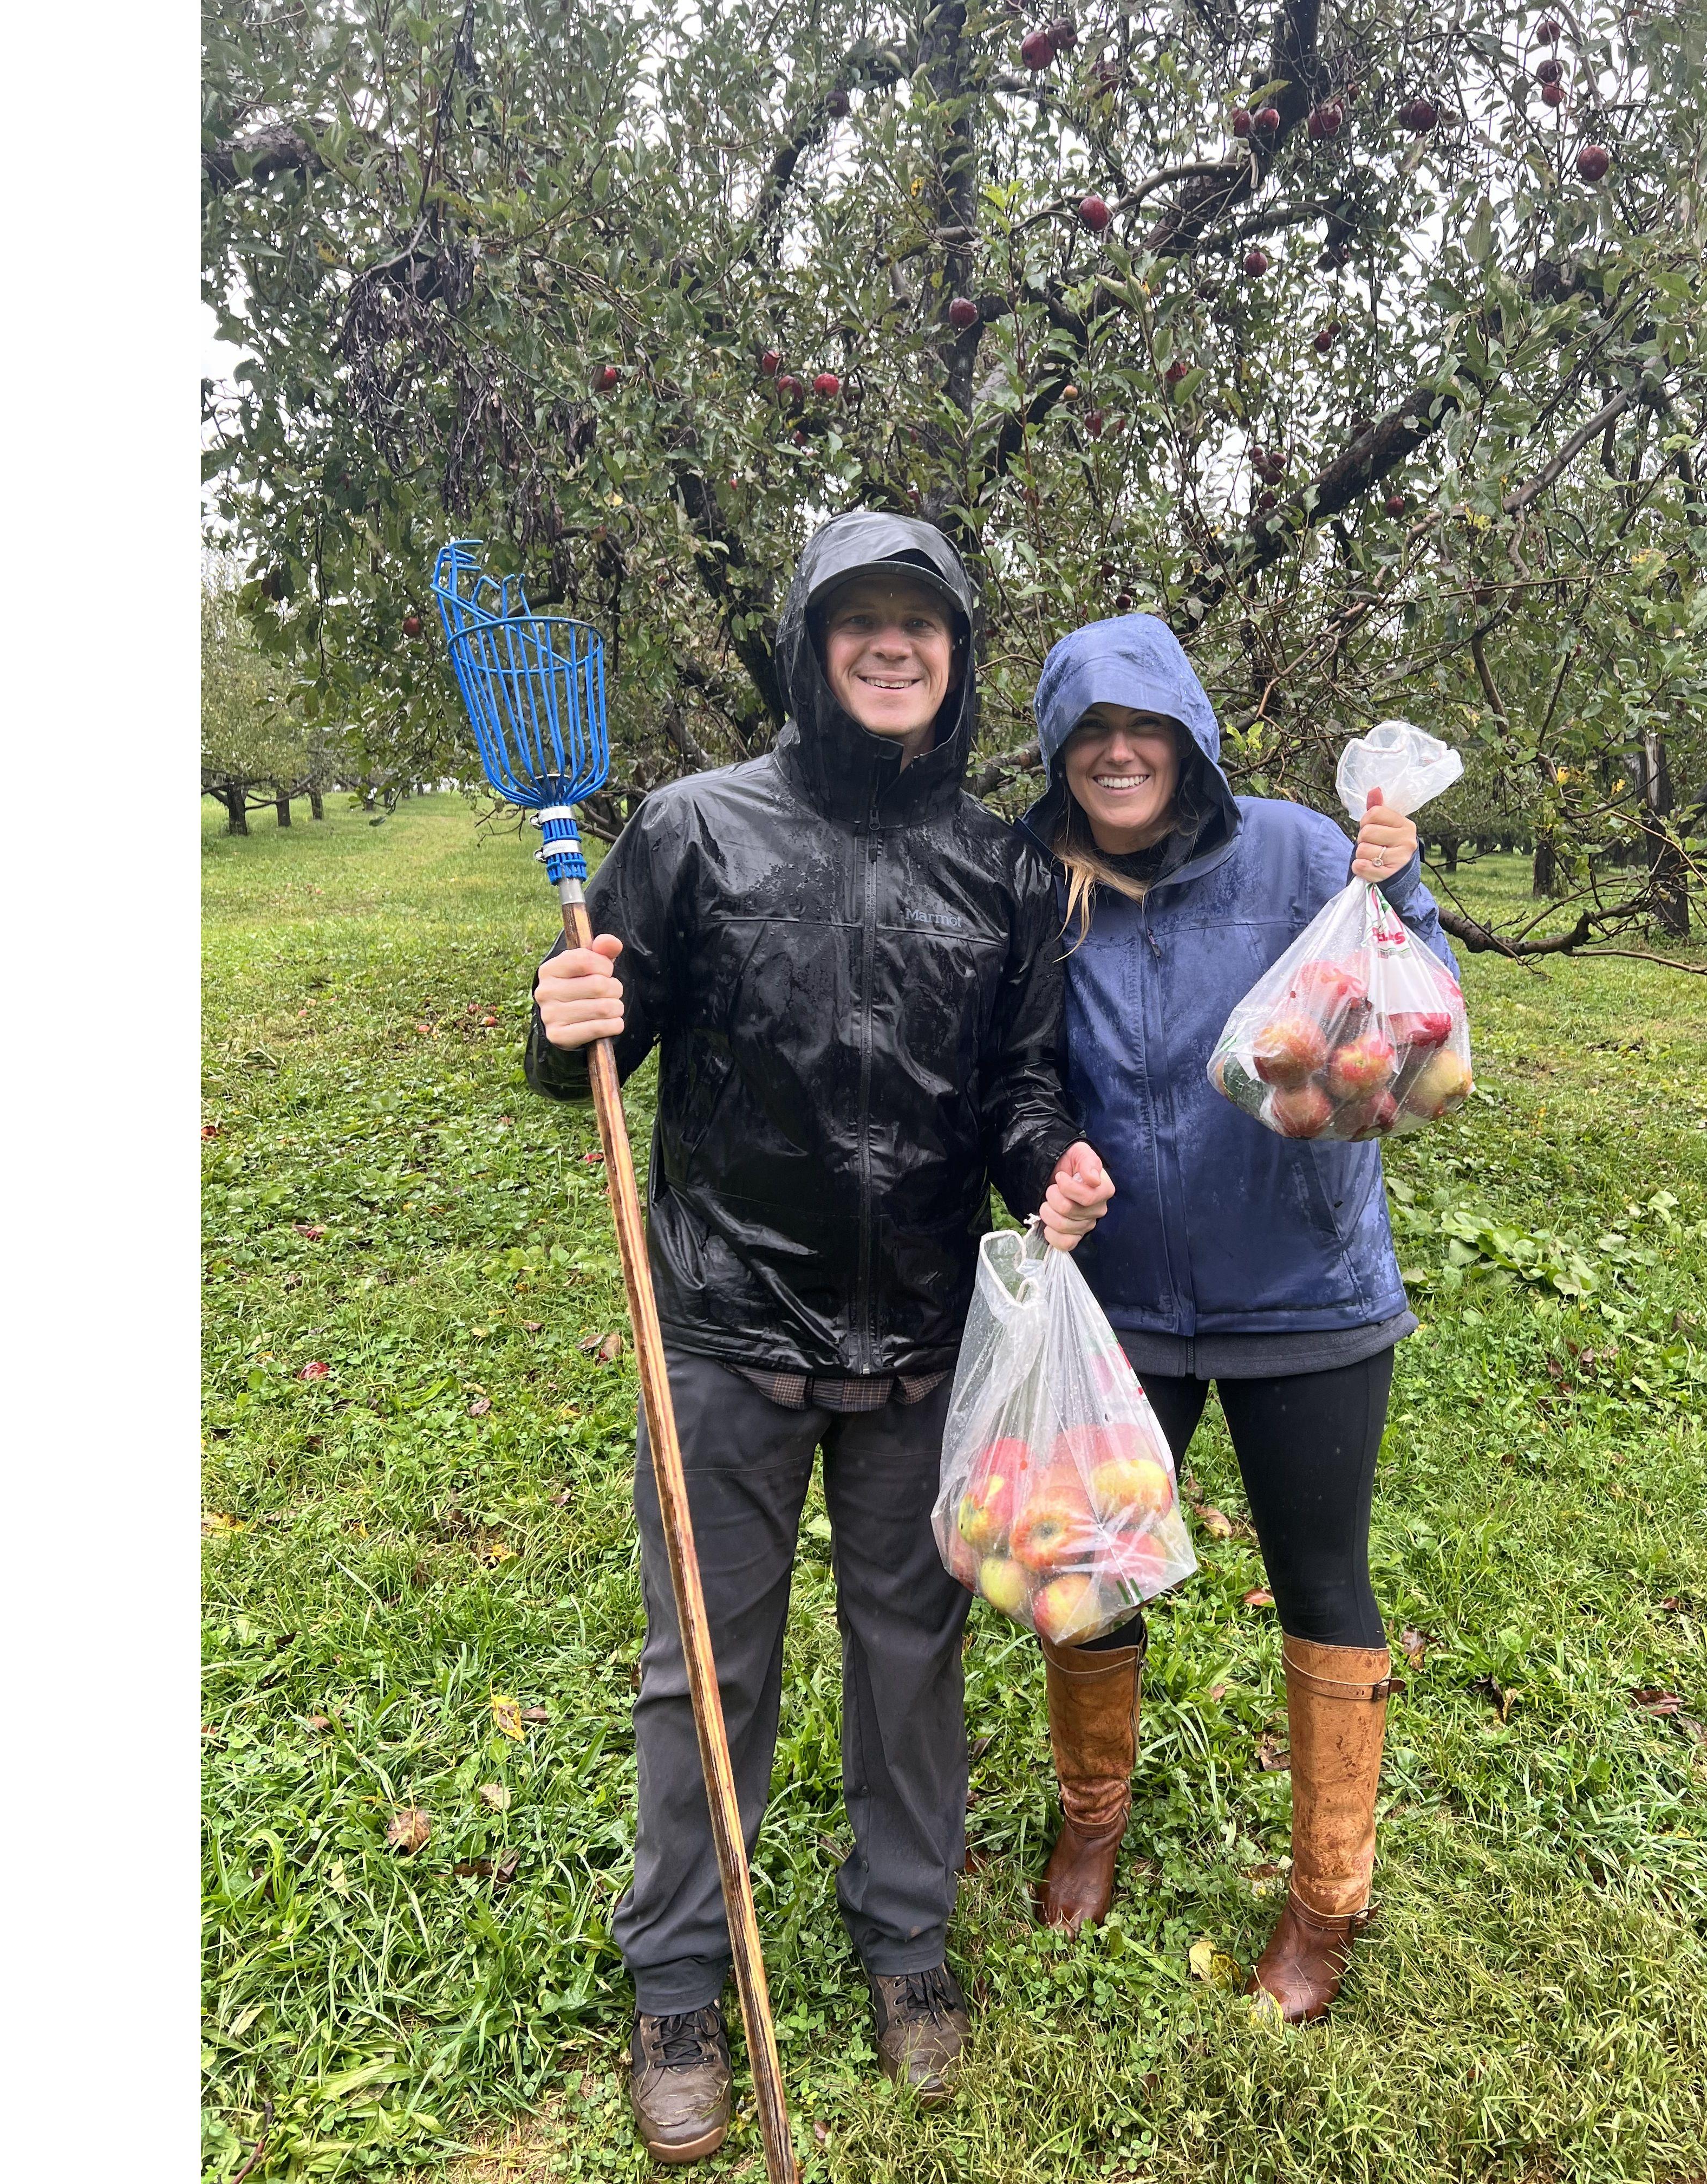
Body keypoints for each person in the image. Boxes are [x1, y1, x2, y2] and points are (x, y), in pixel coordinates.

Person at [526, 510, 1114, 2162]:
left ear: (957, 656)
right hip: (719, 1322)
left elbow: (1016, 1083)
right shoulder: (695, 830)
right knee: (702, 1667)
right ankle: (679, 1979)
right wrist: (557, 1015)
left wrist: (1043, 1165)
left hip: (919, 1337)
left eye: (918, 624)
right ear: (808, 641)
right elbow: (592, 1032)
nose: (888, 646)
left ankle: (907, 1944)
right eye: (856, 618)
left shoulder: (1006, 866)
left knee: (913, 1662)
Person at [1017, 613, 1458, 2025]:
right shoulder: (1046, 881)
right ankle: (1093, 1816)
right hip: (1125, 1299)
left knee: (1324, 1583)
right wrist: (1043, 1170)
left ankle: (1328, 1902)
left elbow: (1412, 1015)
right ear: (1059, 758)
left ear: (1193, 740)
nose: (1119, 750)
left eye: (1142, 727)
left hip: (1307, 1291)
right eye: (1089, 734)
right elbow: (1015, 1065)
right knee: (1092, 1564)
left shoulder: (1292, 849)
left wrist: (1402, 892)